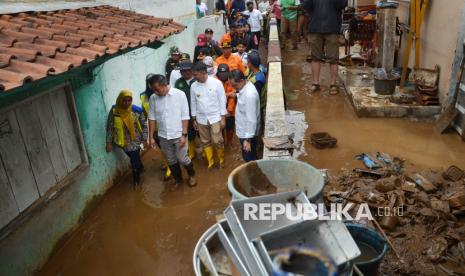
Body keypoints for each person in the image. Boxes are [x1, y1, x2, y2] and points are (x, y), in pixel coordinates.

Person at [148, 75, 197, 191]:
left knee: (183, 159)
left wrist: (184, 135)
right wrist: (151, 137)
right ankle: (178, 180)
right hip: (163, 136)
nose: (155, 92)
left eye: (157, 89)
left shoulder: (179, 95)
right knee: (170, 160)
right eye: (153, 89)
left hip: (178, 134)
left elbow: (185, 116)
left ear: (164, 85)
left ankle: (192, 175)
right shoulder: (153, 98)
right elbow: (152, 118)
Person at [302, 0, 347, 95]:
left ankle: (333, 84)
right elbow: (306, 5)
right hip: (315, 27)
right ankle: (315, 83)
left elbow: (342, 4)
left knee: (333, 58)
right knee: (315, 57)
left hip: (332, 28)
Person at [106, 90, 147, 187]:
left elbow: (144, 125)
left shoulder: (136, 110)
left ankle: (136, 181)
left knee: (133, 159)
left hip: (136, 139)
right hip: (122, 141)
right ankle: (140, 166)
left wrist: (144, 138)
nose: (127, 103)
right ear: (120, 100)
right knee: (133, 156)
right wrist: (109, 142)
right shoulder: (114, 111)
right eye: (124, 100)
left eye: (129, 100)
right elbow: (110, 127)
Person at [190, 62, 227, 169]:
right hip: (201, 118)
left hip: (215, 117)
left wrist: (223, 118)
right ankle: (210, 162)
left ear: (203, 72)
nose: (194, 77)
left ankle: (221, 160)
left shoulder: (216, 83)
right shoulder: (193, 86)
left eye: (196, 74)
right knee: (205, 141)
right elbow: (193, 102)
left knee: (217, 140)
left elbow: (222, 100)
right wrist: (194, 119)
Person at [140, 74, 172, 181]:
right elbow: (145, 113)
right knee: (162, 149)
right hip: (155, 128)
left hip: (166, 125)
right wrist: (149, 133)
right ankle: (168, 165)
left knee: (170, 148)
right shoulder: (143, 96)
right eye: (149, 83)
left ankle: (172, 166)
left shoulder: (164, 93)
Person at [228, 70, 260, 162]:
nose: (234, 87)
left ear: (242, 80)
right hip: (244, 130)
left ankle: (254, 175)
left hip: (247, 133)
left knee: (249, 158)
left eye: (234, 85)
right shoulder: (245, 87)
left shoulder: (249, 95)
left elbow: (252, 119)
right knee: (249, 155)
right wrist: (236, 95)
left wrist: (247, 140)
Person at [174, 60, 197, 160]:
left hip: (198, 112)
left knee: (202, 132)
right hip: (185, 113)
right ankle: (192, 152)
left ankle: (206, 150)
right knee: (189, 132)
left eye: (188, 70)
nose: (186, 73)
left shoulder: (197, 79)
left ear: (192, 70)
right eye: (183, 71)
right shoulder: (178, 83)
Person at [216, 64, 236, 148]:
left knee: (230, 127)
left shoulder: (231, 80)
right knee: (220, 128)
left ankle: (230, 143)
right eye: (221, 73)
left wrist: (229, 110)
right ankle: (222, 143)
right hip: (218, 109)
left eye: (225, 73)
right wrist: (227, 94)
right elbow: (215, 96)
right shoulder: (214, 81)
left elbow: (234, 94)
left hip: (230, 109)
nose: (223, 75)